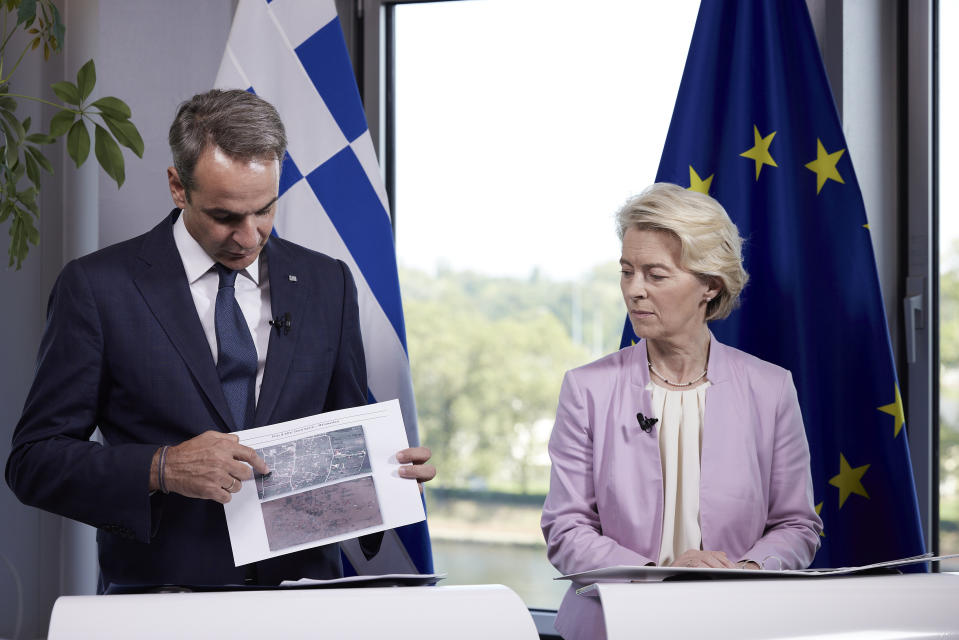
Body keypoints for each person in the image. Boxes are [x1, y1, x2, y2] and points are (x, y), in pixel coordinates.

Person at [5, 89, 435, 592]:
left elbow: (344, 432)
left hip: (302, 601)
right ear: (177, 186)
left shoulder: (329, 282)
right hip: (161, 600)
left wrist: (389, 472)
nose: (250, 237)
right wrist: (161, 467)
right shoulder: (98, 287)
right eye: (226, 216)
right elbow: (33, 461)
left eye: (265, 210)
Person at [540, 183, 822, 640]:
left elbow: (797, 523)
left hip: (735, 623)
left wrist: (744, 569)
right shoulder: (586, 388)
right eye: (627, 271)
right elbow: (566, 528)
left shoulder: (771, 388)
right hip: (610, 625)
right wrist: (658, 574)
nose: (634, 291)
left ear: (709, 285)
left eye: (655, 275)